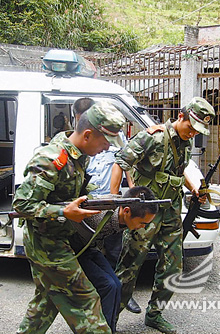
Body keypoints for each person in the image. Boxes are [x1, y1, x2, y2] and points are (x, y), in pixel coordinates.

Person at [12, 102, 126, 334]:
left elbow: (73, 193)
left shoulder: (79, 157)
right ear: (87, 134)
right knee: (86, 303)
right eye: (105, 143)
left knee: (46, 303)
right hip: (48, 246)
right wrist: (64, 212)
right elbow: (22, 204)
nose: (107, 149)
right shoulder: (51, 159)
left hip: (64, 238)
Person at [110, 97, 215, 334]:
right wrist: (116, 198)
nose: (193, 133)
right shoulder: (153, 136)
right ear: (181, 116)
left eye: (198, 131)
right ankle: (111, 315)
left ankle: (154, 314)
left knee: (173, 267)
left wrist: (194, 188)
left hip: (170, 211)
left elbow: (178, 170)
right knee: (129, 265)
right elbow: (121, 162)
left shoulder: (185, 143)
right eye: (191, 127)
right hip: (144, 212)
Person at [72, 98, 141, 314]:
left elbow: (124, 161)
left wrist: (130, 189)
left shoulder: (113, 136)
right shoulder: (77, 146)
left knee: (113, 250)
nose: (106, 146)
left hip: (107, 199)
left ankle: (116, 294)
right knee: (91, 251)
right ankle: (104, 294)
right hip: (87, 205)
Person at [70, 186, 158, 333]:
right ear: (127, 211)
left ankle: (109, 329)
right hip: (75, 249)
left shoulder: (124, 212)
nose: (142, 227)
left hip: (90, 247)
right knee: (107, 285)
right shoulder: (100, 215)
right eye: (142, 223)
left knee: (116, 284)